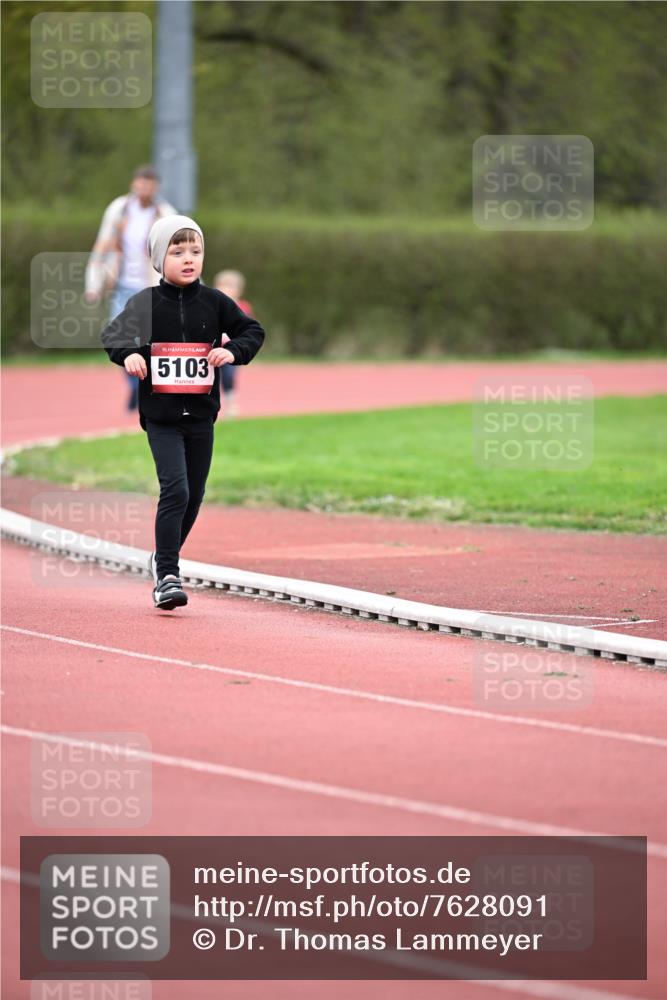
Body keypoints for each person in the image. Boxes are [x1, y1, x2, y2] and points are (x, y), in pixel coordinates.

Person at [101, 215, 266, 611]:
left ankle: (162, 559)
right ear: (160, 258)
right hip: (161, 416)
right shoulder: (145, 302)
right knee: (175, 489)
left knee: (194, 496)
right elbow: (114, 337)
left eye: (196, 251)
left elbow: (252, 331)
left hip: (202, 416)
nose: (188, 259)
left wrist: (232, 351)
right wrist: (131, 358)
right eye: (178, 252)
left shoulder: (215, 302)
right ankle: (168, 575)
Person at [86, 165, 177, 410]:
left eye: (149, 185)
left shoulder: (165, 213)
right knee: (119, 339)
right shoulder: (119, 209)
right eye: (140, 184)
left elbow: (176, 252)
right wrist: (94, 284)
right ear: (133, 185)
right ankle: (135, 385)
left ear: (155, 188)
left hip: (151, 287)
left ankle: (143, 389)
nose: (144, 189)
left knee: (149, 341)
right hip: (122, 284)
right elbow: (103, 245)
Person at [213, 269, 254, 418]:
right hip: (212, 350)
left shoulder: (243, 308)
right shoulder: (212, 304)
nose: (226, 289)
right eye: (223, 285)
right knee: (211, 378)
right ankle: (211, 406)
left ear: (239, 290)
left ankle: (231, 403)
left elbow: (249, 330)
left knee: (228, 376)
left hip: (231, 351)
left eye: (230, 286)